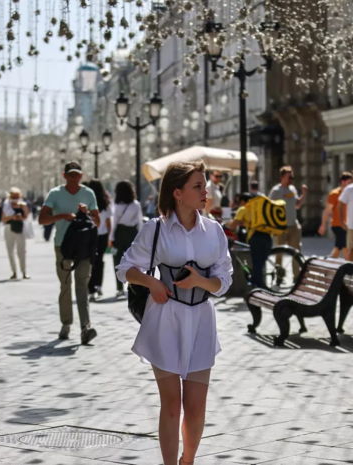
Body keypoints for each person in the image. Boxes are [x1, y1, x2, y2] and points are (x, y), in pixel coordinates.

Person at [116, 160, 232, 465]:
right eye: (198, 185)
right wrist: (151, 281)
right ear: (177, 193)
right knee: (171, 405)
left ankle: (188, 460)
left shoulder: (214, 231)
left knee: (196, 407)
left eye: (204, 185)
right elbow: (124, 268)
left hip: (201, 322)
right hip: (165, 320)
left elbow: (225, 280)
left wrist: (200, 281)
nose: (205, 191)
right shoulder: (156, 228)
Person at [39, 162, 101, 344]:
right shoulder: (55, 193)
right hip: (63, 245)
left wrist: (87, 213)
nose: (74, 178)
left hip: (83, 245)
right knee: (65, 285)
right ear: (64, 176)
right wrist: (62, 216)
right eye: (70, 175)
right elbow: (42, 219)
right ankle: (66, 324)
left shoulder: (88, 193)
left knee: (82, 285)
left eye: (77, 175)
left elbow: (97, 221)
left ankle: (85, 327)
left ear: (81, 176)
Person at [226, 193, 272, 289]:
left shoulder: (243, 209)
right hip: (267, 236)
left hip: (256, 237)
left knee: (256, 264)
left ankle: (259, 288)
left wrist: (224, 226)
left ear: (243, 201)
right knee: (260, 264)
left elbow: (233, 225)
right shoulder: (257, 209)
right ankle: (257, 285)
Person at [269, 166, 307, 276]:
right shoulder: (276, 191)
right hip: (281, 227)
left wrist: (304, 194)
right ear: (282, 177)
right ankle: (279, 276)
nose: (291, 180)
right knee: (279, 253)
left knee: (296, 252)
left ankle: (296, 276)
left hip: (293, 225)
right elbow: (269, 207)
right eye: (289, 177)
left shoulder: (293, 189)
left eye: (292, 177)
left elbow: (298, 205)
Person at [111, 180, 144, 298]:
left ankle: (119, 288)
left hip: (119, 232)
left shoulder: (116, 205)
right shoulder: (135, 204)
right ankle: (135, 284)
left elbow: (113, 222)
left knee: (117, 260)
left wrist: (111, 237)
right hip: (132, 233)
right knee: (134, 260)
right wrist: (142, 238)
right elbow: (140, 222)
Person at [85, 180, 112, 300]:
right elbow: (108, 223)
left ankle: (91, 288)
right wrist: (109, 236)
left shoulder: (87, 202)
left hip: (90, 234)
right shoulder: (105, 204)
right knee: (100, 260)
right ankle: (99, 285)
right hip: (103, 235)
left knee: (90, 260)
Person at [318, 172, 353, 258]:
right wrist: (323, 224)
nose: (350, 185)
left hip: (347, 225)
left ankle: (330, 263)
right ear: (343, 182)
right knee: (345, 247)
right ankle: (348, 268)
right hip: (338, 225)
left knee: (339, 247)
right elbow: (327, 210)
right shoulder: (334, 194)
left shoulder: (351, 194)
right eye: (349, 183)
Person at [2, 188, 29, 279]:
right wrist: (12, 217)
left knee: (21, 251)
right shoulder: (6, 205)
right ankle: (14, 272)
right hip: (9, 228)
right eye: (13, 196)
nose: (15, 198)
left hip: (19, 228)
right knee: (10, 251)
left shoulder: (23, 205)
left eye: (17, 196)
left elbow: (26, 217)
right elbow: (3, 219)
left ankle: (24, 271)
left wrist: (20, 217)